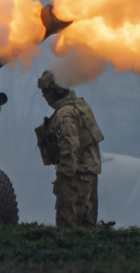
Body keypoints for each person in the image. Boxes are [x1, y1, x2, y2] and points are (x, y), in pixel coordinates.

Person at [34, 70, 103, 228]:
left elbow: (70, 147)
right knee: (87, 227)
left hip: (74, 177)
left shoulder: (64, 114)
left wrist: (63, 179)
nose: (44, 97)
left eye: (45, 92)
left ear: (54, 92)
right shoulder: (78, 107)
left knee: (68, 228)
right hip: (89, 174)